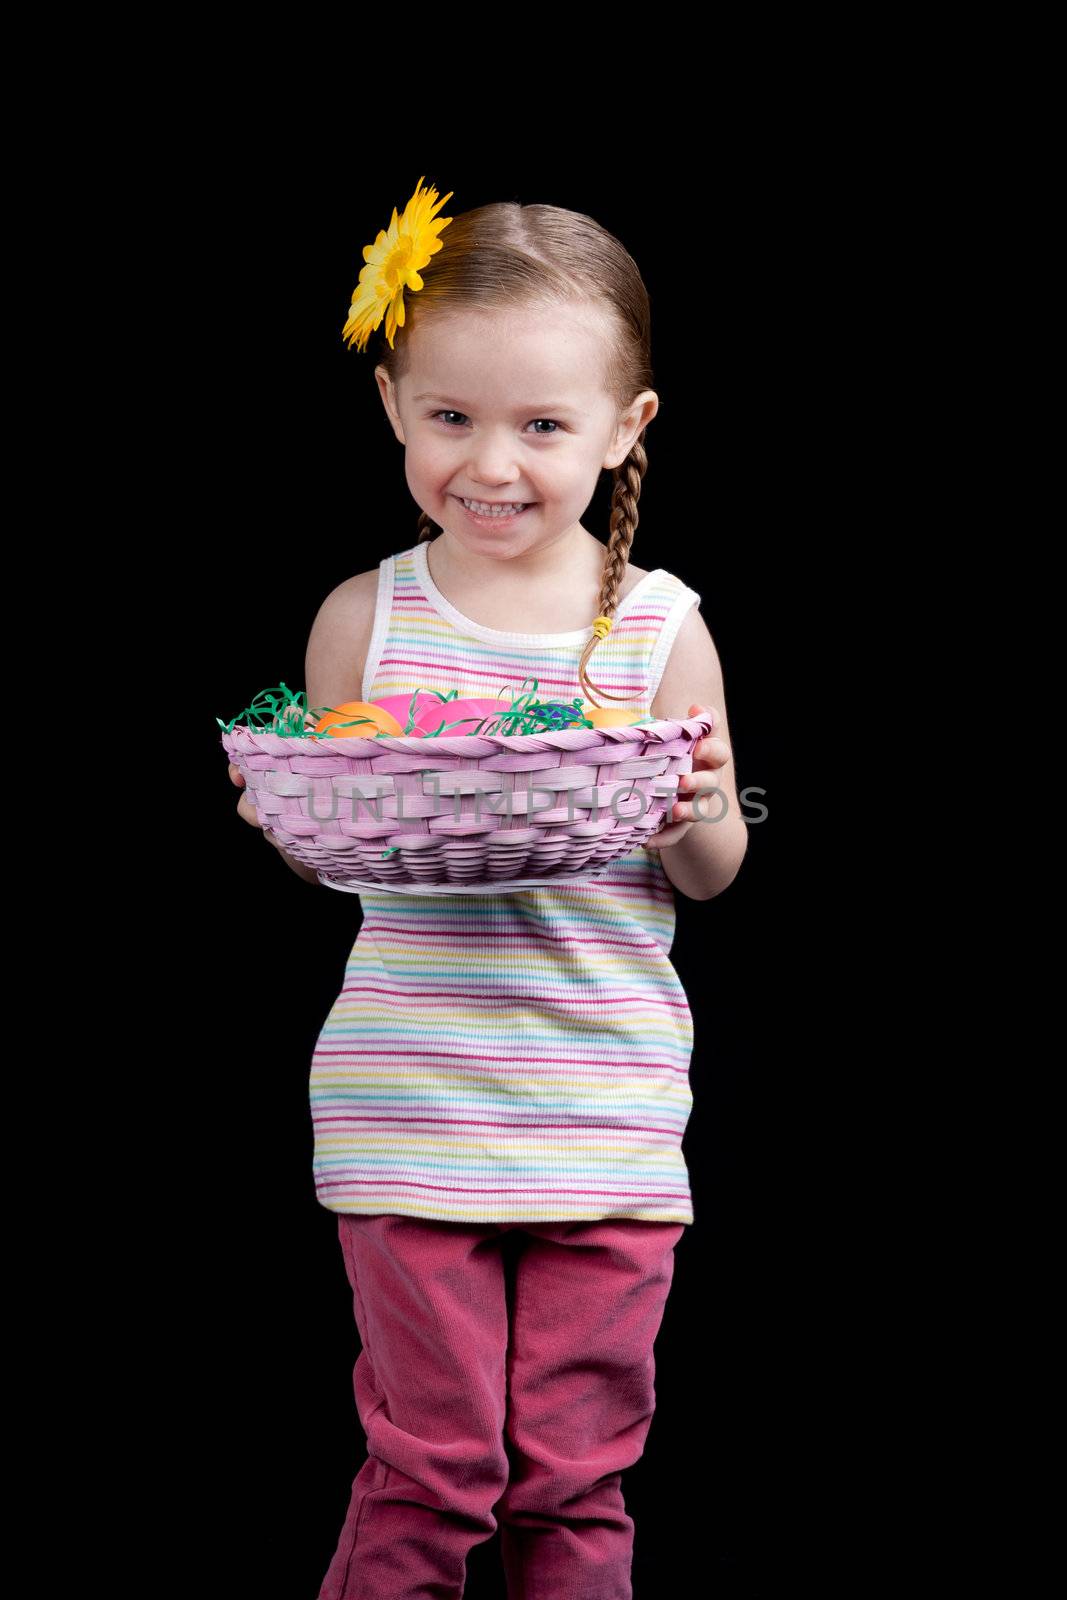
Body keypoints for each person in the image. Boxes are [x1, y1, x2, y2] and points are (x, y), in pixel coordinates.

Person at [229, 176, 749, 1600]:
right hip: (413, 1103)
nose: (492, 463)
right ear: (395, 405)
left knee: (577, 1483)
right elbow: (342, 850)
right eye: (451, 417)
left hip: (604, 1111)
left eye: (541, 425)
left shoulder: (655, 628)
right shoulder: (367, 616)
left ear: (625, 429)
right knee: (433, 1466)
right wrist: (291, 807)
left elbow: (711, 870)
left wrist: (701, 810)